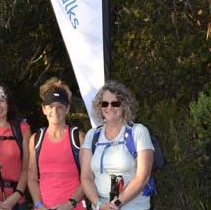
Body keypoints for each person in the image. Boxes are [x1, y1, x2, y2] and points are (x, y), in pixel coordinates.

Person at [80, 80, 154, 210]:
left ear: (125, 105)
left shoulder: (138, 131)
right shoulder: (92, 135)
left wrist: (116, 204)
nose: (109, 107)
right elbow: (86, 178)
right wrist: (98, 204)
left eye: (115, 103)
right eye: (104, 103)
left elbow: (143, 177)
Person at [28, 77, 85, 210]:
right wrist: (38, 204)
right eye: (51, 107)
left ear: (67, 109)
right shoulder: (36, 139)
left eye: (60, 107)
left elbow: (87, 178)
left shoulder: (78, 138)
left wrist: (69, 204)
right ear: (43, 109)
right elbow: (32, 178)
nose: (55, 111)